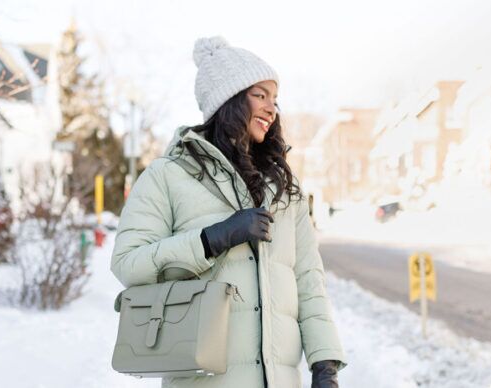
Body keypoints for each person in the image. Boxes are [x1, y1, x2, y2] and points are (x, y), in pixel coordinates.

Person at [111, 36, 345, 388]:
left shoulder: (283, 188)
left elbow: (308, 281)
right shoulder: (168, 175)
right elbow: (128, 263)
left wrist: (324, 363)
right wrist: (211, 239)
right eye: (260, 95)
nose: (271, 109)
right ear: (229, 99)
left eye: (275, 100)